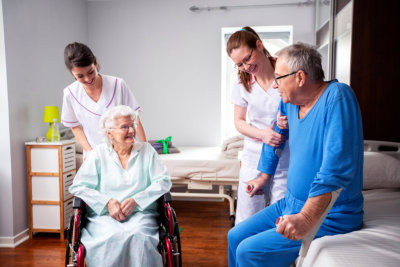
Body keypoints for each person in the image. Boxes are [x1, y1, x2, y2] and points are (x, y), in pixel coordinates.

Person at [228, 42, 364, 267]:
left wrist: (307, 217)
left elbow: (337, 168)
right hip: (290, 202)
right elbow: (275, 136)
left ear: (300, 77)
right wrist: (263, 176)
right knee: (235, 236)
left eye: (279, 77)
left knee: (249, 252)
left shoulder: (337, 97)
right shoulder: (289, 102)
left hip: (331, 214)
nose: (274, 85)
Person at [69, 105, 171, 266]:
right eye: (125, 127)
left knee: (139, 238)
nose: (131, 130)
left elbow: (163, 181)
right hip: (103, 216)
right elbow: (79, 186)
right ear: (109, 133)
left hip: (141, 215)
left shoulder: (146, 151)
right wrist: (107, 202)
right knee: (109, 238)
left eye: (133, 125)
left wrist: (136, 200)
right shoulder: (99, 153)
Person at [227, 26, 290, 225]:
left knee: (281, 215)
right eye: (239, 64)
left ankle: (278, 255)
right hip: (254, 155)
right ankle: (245, 254)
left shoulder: (284, 69)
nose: (245, 66)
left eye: (247, 58)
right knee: (247, 217)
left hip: (285, 155)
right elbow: (239, 122)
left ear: (259, 46)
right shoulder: (241, 82)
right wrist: (263, 134)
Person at [61, 42, 147, 158]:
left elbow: (135, 117)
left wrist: (146, 148)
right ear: (72, 74)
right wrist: (89, 150)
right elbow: (75, 126)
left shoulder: (117, 84)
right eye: (80, 76)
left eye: (91, 71)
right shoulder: (70, 94)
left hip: (125, 153)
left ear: (95, 63)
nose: (87, 79)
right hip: (95, 155)